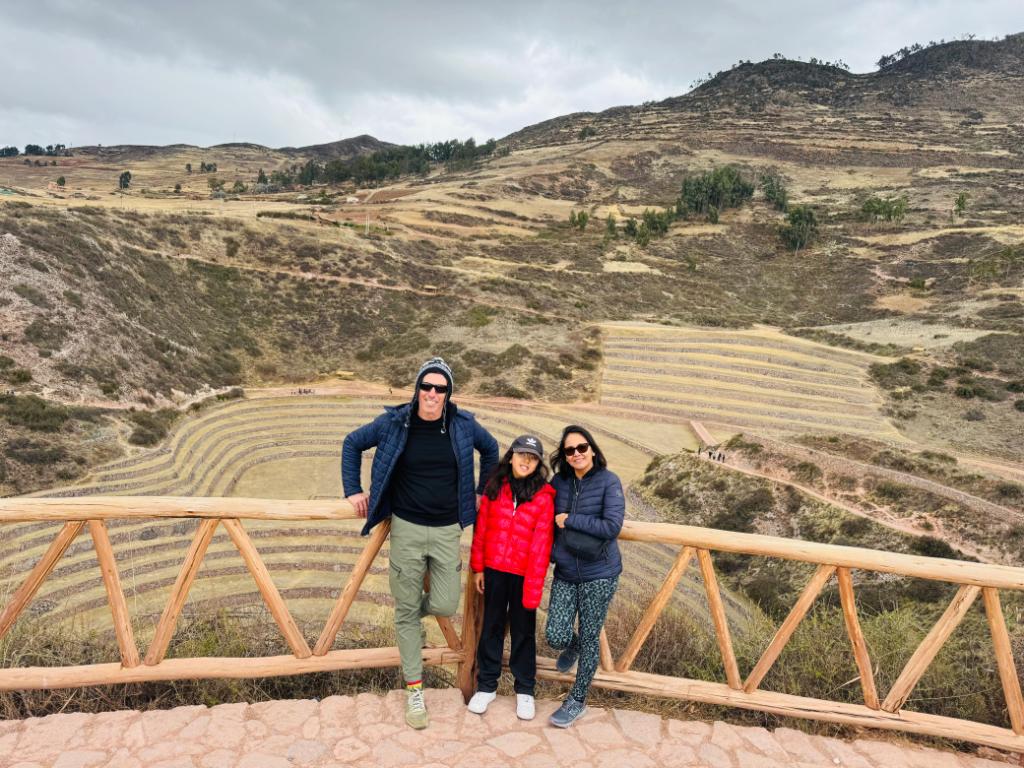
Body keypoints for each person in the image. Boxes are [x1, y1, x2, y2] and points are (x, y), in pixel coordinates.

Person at [341, 357, 498, 730]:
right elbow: (352, 443)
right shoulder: (395, 422)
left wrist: (482, 491)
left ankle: (409, 614)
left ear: (448, 393)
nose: (431, 393)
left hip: (447, 530)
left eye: (439, 388)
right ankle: (415, 691)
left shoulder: (462, 425)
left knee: (444, 602)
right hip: (407, 529)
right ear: (417, 389)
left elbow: (491, 451)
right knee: (408, 610)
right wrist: (353, 490)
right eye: (426, 387)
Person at [467, 435, 555, 721]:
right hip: (494, 569)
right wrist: (478, 567)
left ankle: (525, 690)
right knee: (491, 627)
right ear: (511, 456)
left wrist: (533, 587)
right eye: (521, 455)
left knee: (523, 632)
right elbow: (482, 530)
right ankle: (487, 686)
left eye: (532, 457)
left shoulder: (544, 497)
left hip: (523, 574)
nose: (526, 461)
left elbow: (542, 546)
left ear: (538, 463)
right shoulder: (497, 487)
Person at [545, 425, 625, 728]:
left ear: (592, 449)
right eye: (570, 450)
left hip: (600, 573)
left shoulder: (609, 482)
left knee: (592, 636)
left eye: (582, 448)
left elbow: (611, 527)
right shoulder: (560, 482)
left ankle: (577, 701)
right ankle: (573, 644)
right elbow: (547, 521)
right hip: (566, 570)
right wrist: (553, 552)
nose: (576, 454)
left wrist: (571, 520)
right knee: (556, 635)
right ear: (564, 456)